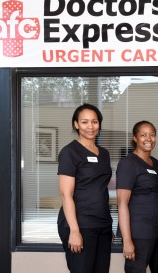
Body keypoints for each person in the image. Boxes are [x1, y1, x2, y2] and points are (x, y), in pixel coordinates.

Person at [57, 103, 113, 273]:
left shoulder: (103, 154)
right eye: (84, 122)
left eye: (94, 122)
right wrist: (74, 230)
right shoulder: (70, 152)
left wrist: (107, 225)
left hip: (102, 224)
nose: (90, 126)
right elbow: (66, 194)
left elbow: (101, 190)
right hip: (80, 224)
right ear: (76, 124)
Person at [116, 121, 158, 273]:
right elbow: (122, 203)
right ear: (135, 138)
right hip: (138, 233)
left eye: (152, 135)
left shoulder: (156, 164)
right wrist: (127, 241)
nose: (149, 139)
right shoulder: (128, 163)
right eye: (143, 135)